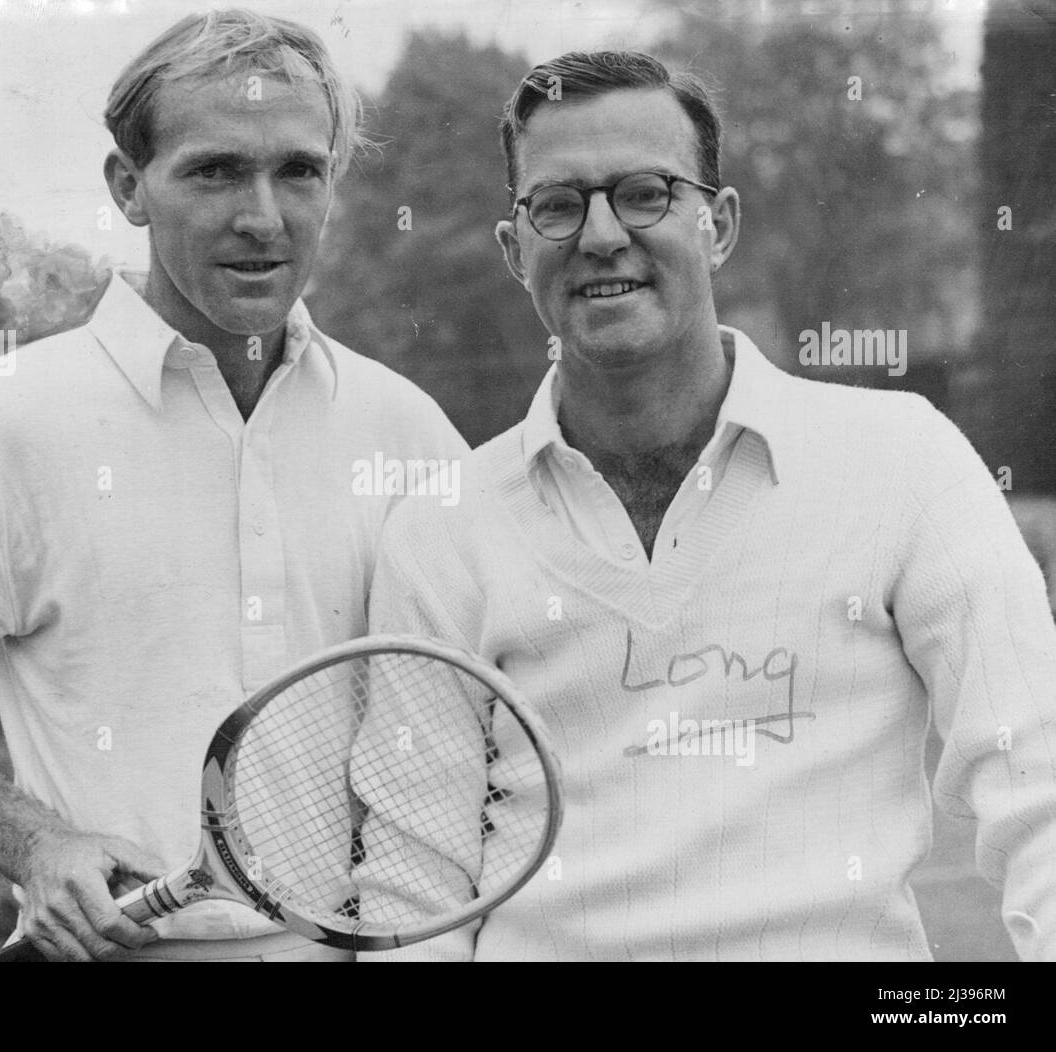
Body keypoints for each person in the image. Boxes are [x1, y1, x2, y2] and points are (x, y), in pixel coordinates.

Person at [0, 8, 466, 962]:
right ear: (128, 187)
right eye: (215, 169)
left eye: (299, 170)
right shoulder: (1, 424)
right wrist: (36, 845)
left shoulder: (409, 430)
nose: (262, 216)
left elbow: (463, 738)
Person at [360, 49, 1056, 961]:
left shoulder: (903, 458)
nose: (602, 235)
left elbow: (1034, 775)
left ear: (718, 224)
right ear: (513, 245)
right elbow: (413, 899)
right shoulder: (440, 530)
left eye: (645, 192)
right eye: (558, 205)